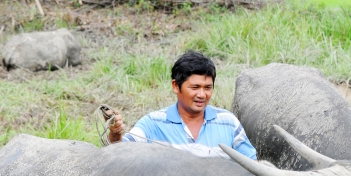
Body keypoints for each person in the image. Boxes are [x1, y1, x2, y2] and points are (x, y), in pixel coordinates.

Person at [105, 50, 257, 160]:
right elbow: (120, 156)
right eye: (195, 87)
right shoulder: (153, 123)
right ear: (176, 86)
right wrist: (116, 134)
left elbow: (253, 166)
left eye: (208, 88)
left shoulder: (228, 123)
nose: (202, 95)